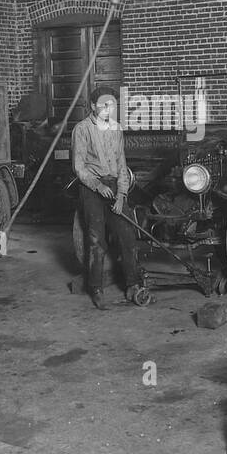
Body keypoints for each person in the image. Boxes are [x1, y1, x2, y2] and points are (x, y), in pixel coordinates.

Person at [72, 86, 144, 309]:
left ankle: (132, 284)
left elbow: (122, 164)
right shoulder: (82, 129)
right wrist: (96, 185)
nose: (108, 108)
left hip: (114, 187)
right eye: (103, 104)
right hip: (91, 188)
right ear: (93, 106)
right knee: (96, 240)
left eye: (111, 104)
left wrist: (121, 194)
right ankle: (96, 288)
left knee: (128, 236)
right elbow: (79, 167)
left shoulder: (116, 129)